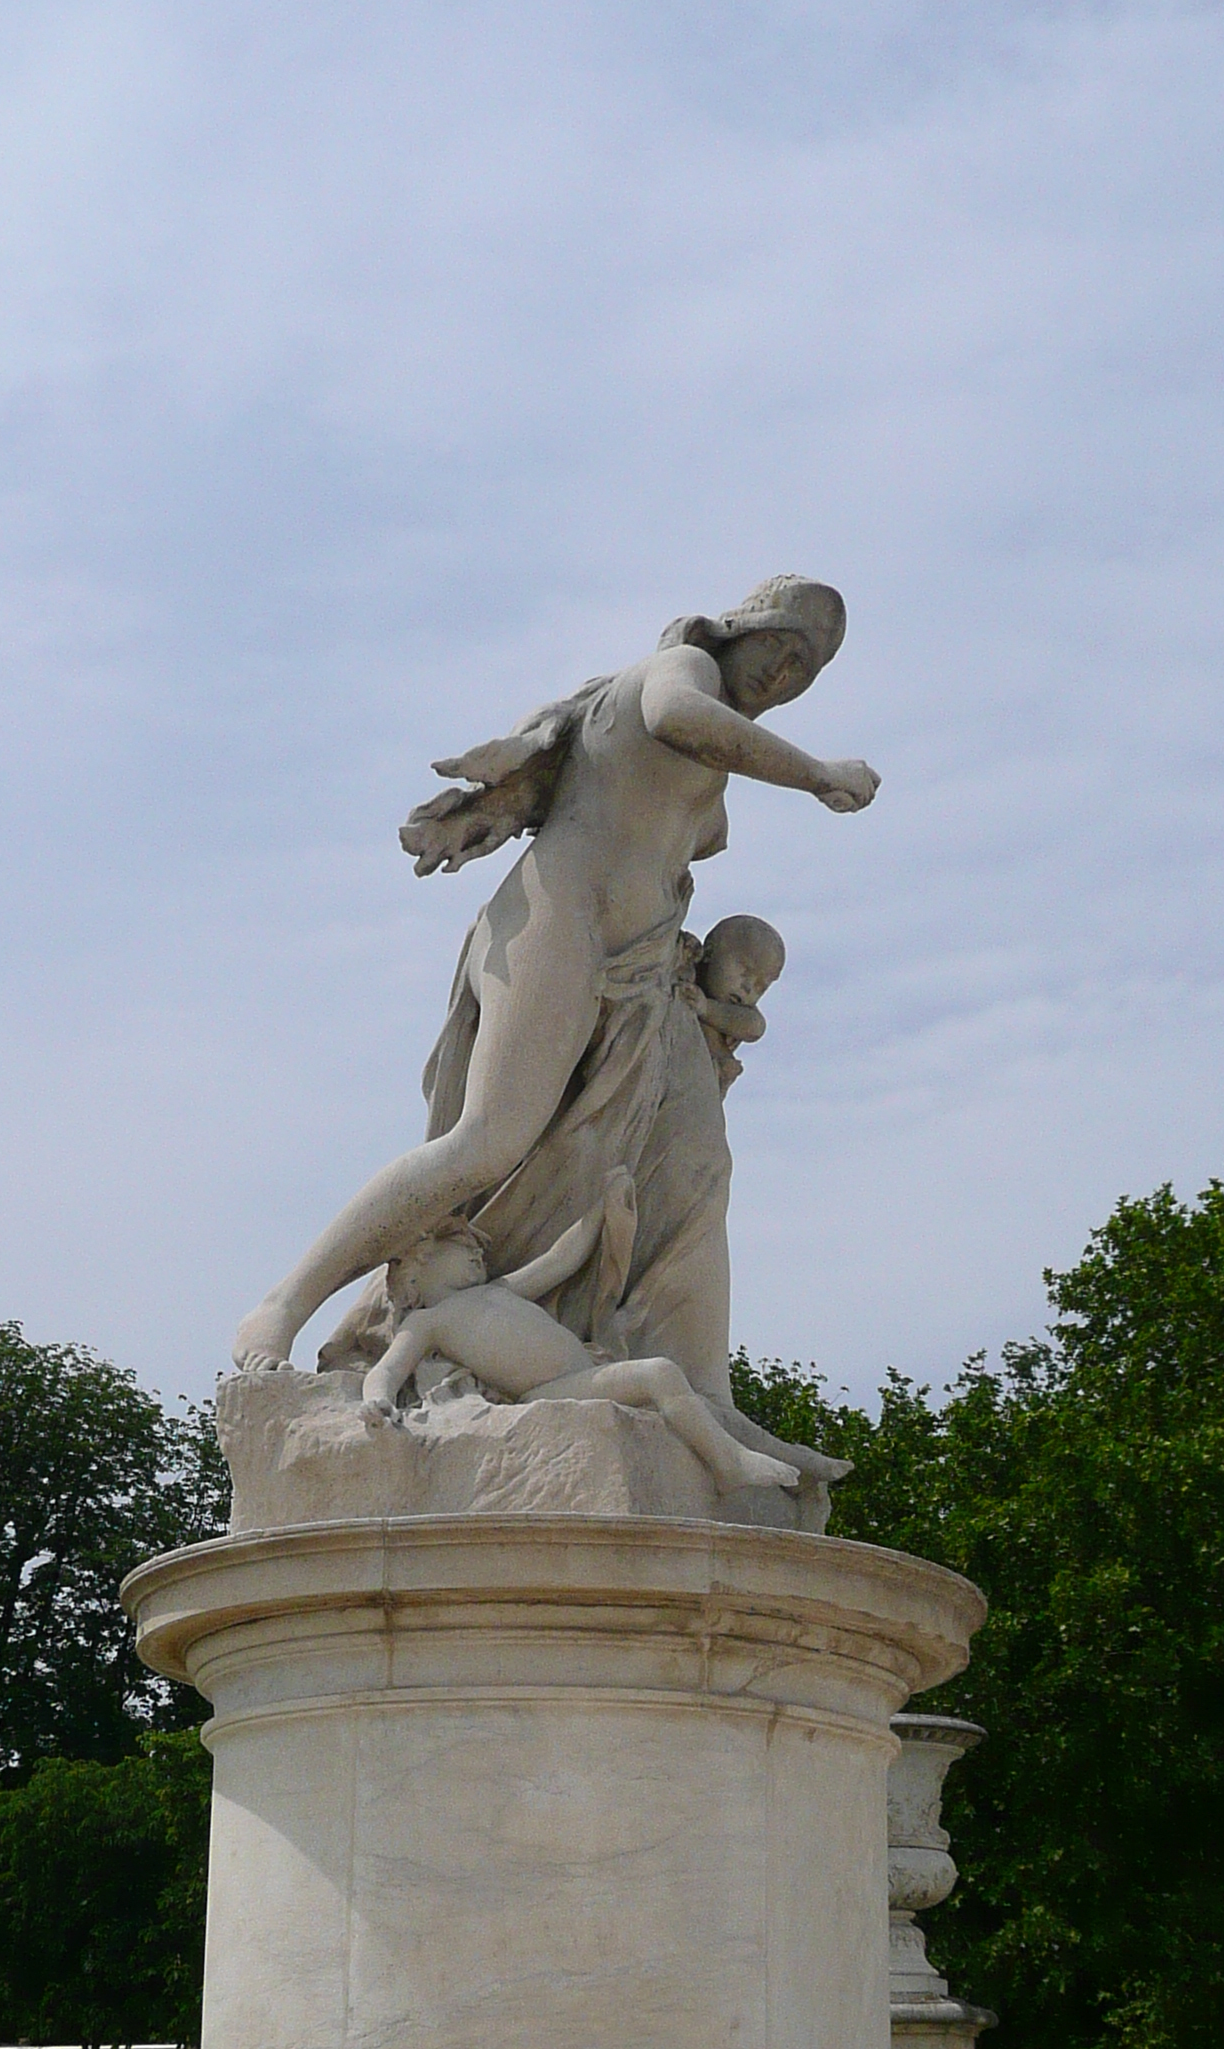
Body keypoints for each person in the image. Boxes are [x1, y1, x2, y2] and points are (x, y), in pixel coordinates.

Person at [233, 575, 877, 1377]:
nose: (784, 677)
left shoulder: (715, 746)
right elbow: (678, 720)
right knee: (484, 1144)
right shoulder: (679, 673)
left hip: (640, 962)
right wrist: (815, 772)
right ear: (740, 628)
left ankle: (680, 1392)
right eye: (781, 649)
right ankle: (284, 1304)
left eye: (805, 671)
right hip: (561, 919)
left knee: (688, 1163)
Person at [361, 1180, 800, 1505]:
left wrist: (600, 1210)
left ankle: (721, 1458)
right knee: (658, 1373)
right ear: (418, 1266)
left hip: (583, 1373)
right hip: (546, 1391)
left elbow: (559, 1260)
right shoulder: (427, 1323)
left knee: (658, 1379)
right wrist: (377, 1400)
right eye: (462, 1249)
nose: (477, 1254)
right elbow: (387, 1370)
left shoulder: (498, 1290)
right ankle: (728, 1462)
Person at [683, 911, 787, 1094]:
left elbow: (755, 1027)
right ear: (709, 951)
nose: (748, 989)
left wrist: (706, 1009)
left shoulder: (737, 1015)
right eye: (745, 973)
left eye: (760, 987)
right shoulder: (685, 967)